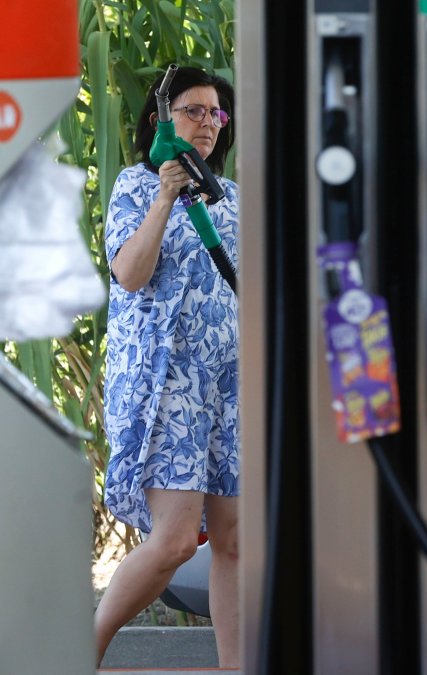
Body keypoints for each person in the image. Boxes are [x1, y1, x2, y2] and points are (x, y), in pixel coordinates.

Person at [95, 66, 240, 667]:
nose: (207, 123)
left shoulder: (230, 198)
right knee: (178, 540)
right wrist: (164, 196)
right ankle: (81, 648)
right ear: (161, 120)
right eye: (194, 111)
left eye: (216, 114)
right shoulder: (133, 186)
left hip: (230, 385)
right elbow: (130, 274)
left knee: (236, 542)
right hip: (166, 383)